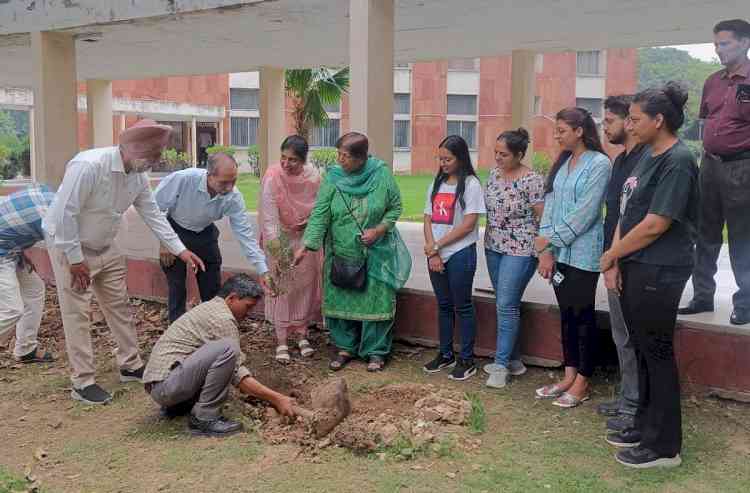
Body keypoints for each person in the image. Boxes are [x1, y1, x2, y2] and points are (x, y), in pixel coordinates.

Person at [43, 119, 205, 405]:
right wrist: (75, 260)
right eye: (153, 155)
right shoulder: (89, 166)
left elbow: (152, 213)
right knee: (77, 314)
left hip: (106, 245)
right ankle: (83, 382)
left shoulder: (137, 175)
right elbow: (64, 215)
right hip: (70, 247)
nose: (156, 161)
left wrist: (179, 250)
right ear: (134, 149)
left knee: (119, 305)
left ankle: (130, 364)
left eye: (158, 155)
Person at [600, 82, 698, 469]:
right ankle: (643, 426)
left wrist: (611, 254)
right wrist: (618, 260)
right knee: (641, 349)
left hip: (662, 268)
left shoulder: (678, 161)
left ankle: (665, 446)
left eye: (636, 119)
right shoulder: (646, 156)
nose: (630, 124)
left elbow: (656, 223)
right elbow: (629, 210)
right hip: (636, 264)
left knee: (656, 353)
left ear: (659, 121)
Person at [294, 132, 411, 372]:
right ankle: (345, 347)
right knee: (341, 298)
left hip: (376, 253)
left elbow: (395, 207)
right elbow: (320, 213)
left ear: (361, 158)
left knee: (375, 302)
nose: (339, 160)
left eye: (345, 156)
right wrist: (306, 245)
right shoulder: (334, 177)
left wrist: (378, 230)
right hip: (341, 252)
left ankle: (375, 351)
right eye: (338, 153)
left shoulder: (381, 174)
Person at [143, 274, 296, 437]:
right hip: (166, 387)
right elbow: (238, 375)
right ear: (232, 298)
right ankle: (204, 418)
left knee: (220, 353)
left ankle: (179, 405)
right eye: (247, 306)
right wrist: (277, 398)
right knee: (228, 349)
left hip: (161, 385)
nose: (248, 313)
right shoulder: (223, 318)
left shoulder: (210, 308)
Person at [534, 107, 611, 408]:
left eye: (561, 130)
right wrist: (545, 250)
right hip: (558, 253)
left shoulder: (599, 164)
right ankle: (568, 375)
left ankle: (583, 380)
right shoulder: (563, 162)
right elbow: (550, 207)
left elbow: (587, 213)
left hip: (584, 253)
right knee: (566, 315)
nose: (556, 135)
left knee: (582, 316)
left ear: (580, 130)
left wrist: (550, 240)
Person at [679, 19, 750, 326]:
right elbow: (705, 122)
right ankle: (702, 296)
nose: (718, 49)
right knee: (704, 234)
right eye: (716, 44)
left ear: (745, 43)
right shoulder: (713, 81)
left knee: (741, 237)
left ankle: (745, 303)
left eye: (725, 44)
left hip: (742, 167)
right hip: (709, 165)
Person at [154, 152, 270, 323]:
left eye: (234, 181)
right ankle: (177, 331)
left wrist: (263, 271)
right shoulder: (183, 179)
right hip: (174, 231)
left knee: (212, 286)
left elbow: (246, 236)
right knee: (176, 286)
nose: (230, 187)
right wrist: (164, 242)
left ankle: (213, 326)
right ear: (209, 175)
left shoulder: (233, 197)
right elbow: (154, 208)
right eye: (224, 182)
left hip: (205, 233)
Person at [598, 95, 647, 432]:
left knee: (634, 335)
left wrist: (617, 257)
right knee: (621, 335)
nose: (605, 128)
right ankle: (628, 397)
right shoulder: (619, 161)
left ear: (628, 122)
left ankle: (636, 405)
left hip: (633, 260)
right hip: (613, 257)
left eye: (610, 122)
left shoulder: (646, 160)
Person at [481, 128, 544, 388]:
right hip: (493, 246)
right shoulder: (494, 175)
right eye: (495, 153)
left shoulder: (532, 180)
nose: (498, 158)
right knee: (505, 303)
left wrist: (545, 251)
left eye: (503, 154)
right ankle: (515, 361)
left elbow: (543, 217)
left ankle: (500, 365)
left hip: (521, 249)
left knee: (506, 304)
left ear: (519, 154)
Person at [421, 135, 486, 381]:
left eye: (448, 159)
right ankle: (445, 354)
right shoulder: (436, 183)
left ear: (460, 158)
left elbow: (469, 224)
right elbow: (427, 218)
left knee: (463, 306)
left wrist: (438, 245)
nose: (443, 163)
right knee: (444, 305)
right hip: (436, 254)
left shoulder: (471, 184)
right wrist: (432, 249)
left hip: (459, 254)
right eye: (440, 159)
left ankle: (466, 359)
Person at [258, 136, 323, 363]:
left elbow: (321, 208)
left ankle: (302, 332)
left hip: (306, 240)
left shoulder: (314, 178)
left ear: (304, 160)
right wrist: (278, 252)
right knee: (283, 285)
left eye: (293, 160)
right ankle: (282, 339)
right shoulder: (273, 177)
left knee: (305, 286)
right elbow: (269, 217)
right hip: (280, 238)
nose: (286, 164)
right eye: (283, 157)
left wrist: (309, 228)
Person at [0, 185, 56, 363]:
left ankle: (26, 349)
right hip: (3, 253)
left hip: (9, 249)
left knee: (34, 289)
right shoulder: (53, 217)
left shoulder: (48, 191)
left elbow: (14, 225)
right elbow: (61, 256)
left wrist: (21, 252)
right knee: (12, 310)